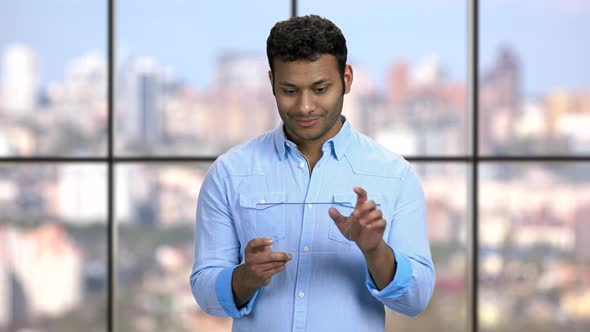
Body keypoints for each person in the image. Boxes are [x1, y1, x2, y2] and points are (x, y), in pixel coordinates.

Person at [190, 14, 435, 332]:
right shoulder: (229, 173)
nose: (305, 106)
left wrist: (375, 250)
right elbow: (205, 291)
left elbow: (416, 300)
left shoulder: (394, 176)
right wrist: (245, 277)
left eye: (320, 89)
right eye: (290, 91)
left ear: (346, 79)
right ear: (272, 83)